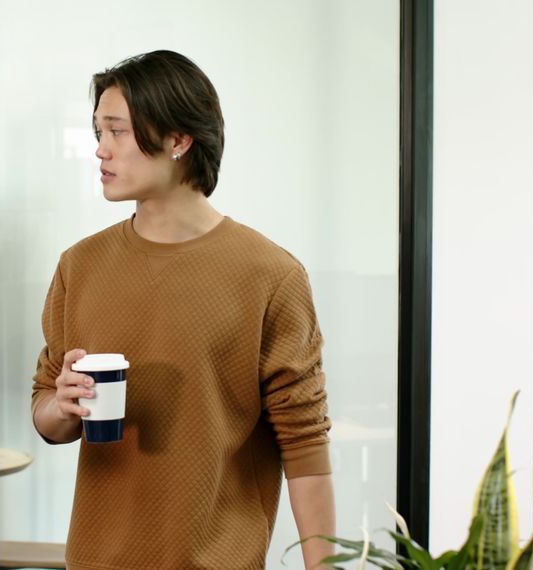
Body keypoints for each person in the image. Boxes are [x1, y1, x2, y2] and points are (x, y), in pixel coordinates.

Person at [30, 50, 335, 569]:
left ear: (178, 139)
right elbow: (46, 417)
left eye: (117, 131)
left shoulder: (270, 274)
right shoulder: (78, 266)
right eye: (97, 132)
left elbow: (304, 447)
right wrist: (60, 405)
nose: (101, 150)